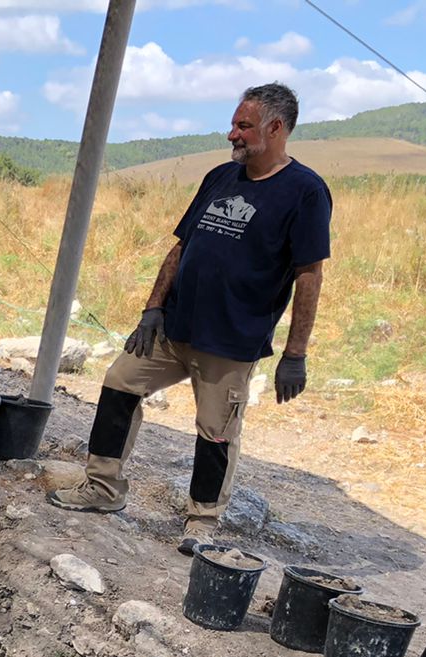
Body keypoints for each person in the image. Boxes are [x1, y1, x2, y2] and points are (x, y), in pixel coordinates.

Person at [48, 82, 331, 554]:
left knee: (216, 431)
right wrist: (153, 308)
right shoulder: (221, 177)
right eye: (234, 124)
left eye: (244, 126)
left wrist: (295, 354)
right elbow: (182, 246)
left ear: (276, 129)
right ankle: (103, 487)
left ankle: (201, 522)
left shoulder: (305, 191)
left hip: (231, 339)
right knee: (119, 383)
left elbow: (310, 274)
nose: (232, 134)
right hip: (174, 327)